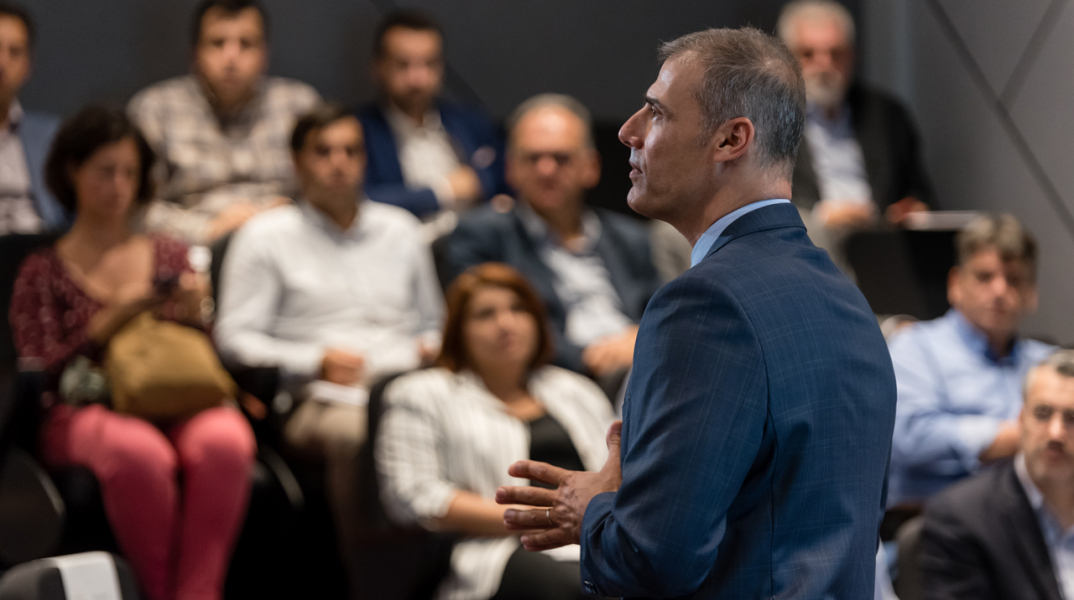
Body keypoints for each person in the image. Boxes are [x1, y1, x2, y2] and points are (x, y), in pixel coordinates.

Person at [496, 27, 896, 599]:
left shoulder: (705, 305)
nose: (628, 130)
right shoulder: (847, 299)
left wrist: (599, 507)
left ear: (731, 139)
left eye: (656, 113)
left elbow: (651, 562)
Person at [8, 106, 254, 600]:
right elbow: (38, 371)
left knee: (226, 439)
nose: (118, 185)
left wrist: (195, 313)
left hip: (173, 396)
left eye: (129, 172)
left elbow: (197, 356)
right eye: (105, 171)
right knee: (139, 452)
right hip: (84, 407)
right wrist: (103, 326)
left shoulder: (169, 254)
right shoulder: (42, 267)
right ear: (71, 170)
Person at [213, 103, 444, 590]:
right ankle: (375, 581)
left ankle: (462, 565)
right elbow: (233, 339)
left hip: (405, 379)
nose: (339, 162)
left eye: (350, 151)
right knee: (357, 432)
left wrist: (430, 347)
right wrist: (313, 361)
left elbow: (434, 323)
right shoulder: (264, 236)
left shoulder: (400, 229)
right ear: (298, 163)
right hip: (315, 395)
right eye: (324, 152)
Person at [377, 263, 614, 600]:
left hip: (596, 535)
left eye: (518, 309)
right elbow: (414, 496)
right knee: (582, 587)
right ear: (458, 330)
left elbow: (619, 472)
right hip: (495, 547)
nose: (506, 323)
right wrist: (545, 518)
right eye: (485, 314)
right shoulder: (420, 393)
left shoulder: (575, 389)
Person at [446, 94, 661, 380]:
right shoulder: (482, 236)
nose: (546, 170)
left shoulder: (630, 238)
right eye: (533, 158)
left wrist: (640, 342)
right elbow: (484, 328)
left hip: (643, 365)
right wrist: (591, 357)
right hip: (554, 377)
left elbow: (664, 314)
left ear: (591, 168)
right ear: (510, 168)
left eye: (561, 158)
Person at [887, 214, 1054, 506]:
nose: (1000, 291)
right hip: (933, 522)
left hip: (1033, 522)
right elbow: (911, 437)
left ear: (1031, 292)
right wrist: (1020, 435)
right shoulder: (915, 347)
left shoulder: (1047, 363)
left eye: (1014, 279)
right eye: (984, 276)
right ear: (956, 284)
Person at [128, 0, 320, 245]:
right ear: (195, 53)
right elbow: (133, 208)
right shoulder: (155, 109)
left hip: (287, 245)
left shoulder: (299, 105)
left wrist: (286, 217)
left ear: (265, 54)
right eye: (217, 43)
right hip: (193, 252)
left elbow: (329, 193)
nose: (231, 58)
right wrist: (209, 229)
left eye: (246, 44)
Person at [777, 0, 931, 260]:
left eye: (835, 53)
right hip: (806, 248)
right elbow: (756, 202)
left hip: (883, 249)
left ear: (853, 56)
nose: (824, 65)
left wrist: (913, 209)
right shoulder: (769, 119)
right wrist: (823, 217)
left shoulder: (886, 114)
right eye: (808, 54)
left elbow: (918, 192)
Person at [919, 349, 1074, 600]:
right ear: (1021, 420)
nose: (1056, 433)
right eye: (1043, 414)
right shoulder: (960, 517)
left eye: (1072, 418)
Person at [356, 10, 504, 222]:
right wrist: (443, 192)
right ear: (378, 67)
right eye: (403, 64)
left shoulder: (472, 122)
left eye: (429, 64)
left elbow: (503, 179)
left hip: (478, 243)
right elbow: (358, 202)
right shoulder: (359, 130)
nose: (418, 78)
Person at [0, 1, 65, 233]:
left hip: (39, 256)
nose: (2, 63)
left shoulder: (52, 137)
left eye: (14, 52)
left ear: (28, 65)